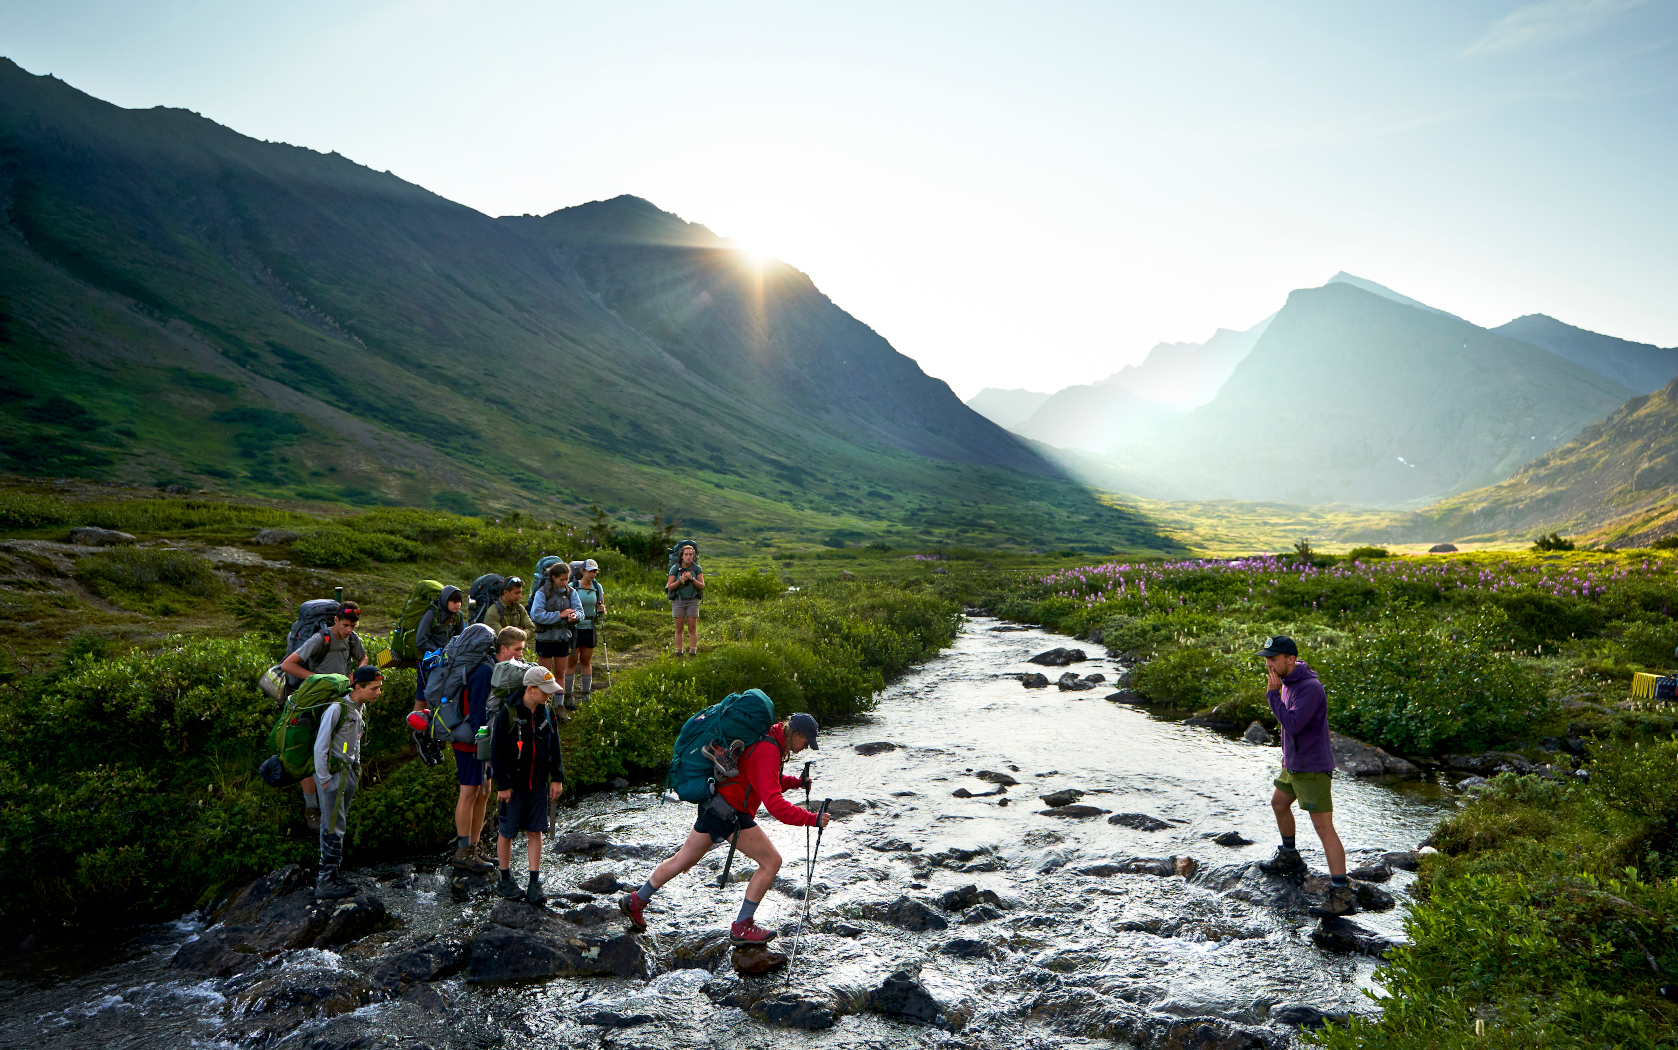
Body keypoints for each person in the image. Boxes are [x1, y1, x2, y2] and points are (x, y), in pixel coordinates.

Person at [618, 712, 828, 944]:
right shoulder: (769, 750)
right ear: (795, 734)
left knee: (682, 860)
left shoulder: (767, 737)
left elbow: (761, 776)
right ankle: (742, 926)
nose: (806, 747)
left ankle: (636, 900)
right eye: (806, 742)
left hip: (713, 806)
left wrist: (796, 783)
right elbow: (775, 805)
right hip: (731, 814)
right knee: (772, 862)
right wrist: (812, 819)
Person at [1255, 635, 1355, 917]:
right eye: (1267, 658)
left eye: (1273, 659)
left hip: (1311, 768)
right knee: (1279, 803)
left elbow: (1294, 725)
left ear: (1290, 658)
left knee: (1324, 829)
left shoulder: (1309, 688)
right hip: (1295, 765)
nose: (1269, 664)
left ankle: (1341, 895)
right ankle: (1290, 858)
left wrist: (1272, 696)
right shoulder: (1288, 682)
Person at [280, 601, 369, 831]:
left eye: (353, 626)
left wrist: (355, 675)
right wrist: (316, 679)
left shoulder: (352, 639)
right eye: (346, 625)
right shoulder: (321, 639)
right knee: (311, 751)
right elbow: (288, 665)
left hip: (340, 701)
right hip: (316, 703)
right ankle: (311, 808)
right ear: (336, 620)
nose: (349, 630)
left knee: (337, 747)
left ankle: (336, 797)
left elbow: (364, 658)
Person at [449, 626, 527, 872]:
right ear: (503, 649)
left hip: (485, 741)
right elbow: (477, 716)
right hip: (471, 742)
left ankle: (474, 845)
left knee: (484, 790)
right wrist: (488, 748)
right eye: (517, 650)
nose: (520, 656)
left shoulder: (497, 670)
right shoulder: (484, 672)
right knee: (470, 791)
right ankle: (464, 851)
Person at [491, 663, 566, 904]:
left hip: (539, 784)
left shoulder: (547, 712)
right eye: (545, 691)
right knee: (507, 832)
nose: (548, 695)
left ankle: (535, 883)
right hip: (513, 787)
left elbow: (555, 746)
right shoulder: (508, 713)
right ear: (530, 689)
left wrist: (557, 777)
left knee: (536, 831)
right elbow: (497, 752)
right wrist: (502, 785)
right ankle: (505, 879)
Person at [313, 665, 385, 899]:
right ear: (358, 687)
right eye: (374, 688)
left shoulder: (359, 707)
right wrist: (324, 780)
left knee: (338, 825)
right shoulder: (337, 709)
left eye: (380, 688)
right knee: (332, 825)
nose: (378, 692)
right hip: (333, 778)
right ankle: (325, 882)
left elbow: (354, 741)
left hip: (348, 775)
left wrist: (356, 768)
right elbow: (320, 746)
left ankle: (333, 875)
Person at [529, 562, 582, 707]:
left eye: (567, 579)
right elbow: (537, 615)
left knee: (560, 674)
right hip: (545, 639)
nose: (565, 583)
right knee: (545, 675)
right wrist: (561, 615)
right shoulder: (541, 593)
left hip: (563, 638)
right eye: (561, 580)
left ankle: (559, 707)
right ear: (553, 577)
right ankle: (543, 706)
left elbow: (580, 611)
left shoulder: (571, 592)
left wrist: (575, 616)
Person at [413, 585, 465, 714]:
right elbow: (420, 640)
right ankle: (415, 729)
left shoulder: (458, 616)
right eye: (454, 602)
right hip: (427, 661)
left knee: (443, 697)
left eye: (460, 602)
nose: (458, 605)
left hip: (447, 662)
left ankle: (434, 729)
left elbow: (462, 638)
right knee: (422, 698)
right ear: (445, 601)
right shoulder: (431, 614)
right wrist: (440, 651)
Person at [565, 559, 606, 711]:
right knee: (571, 661)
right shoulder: (572, 587)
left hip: (590, 627)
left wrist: (602, 611)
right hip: (574, 628)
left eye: (594, 571)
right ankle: (568, 695)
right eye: (590, 571)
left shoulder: (597, 587)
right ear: (582, 571)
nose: (592, 574)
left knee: (586, 660)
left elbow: (601, 605)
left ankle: (585, 694)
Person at [666, 543, 704, 657]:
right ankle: (679, 652)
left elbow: (702, 585)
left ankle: (693, 652)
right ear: (681, 556)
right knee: (679, 628)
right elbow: (669, 586)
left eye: (691, 555)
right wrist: (681, 580)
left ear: (693, 556)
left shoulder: (697, 568)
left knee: (692, 628)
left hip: (693, 601)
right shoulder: (675, 568)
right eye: (686, 554)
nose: (688, 557)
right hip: (678, 601)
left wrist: (692, 579)